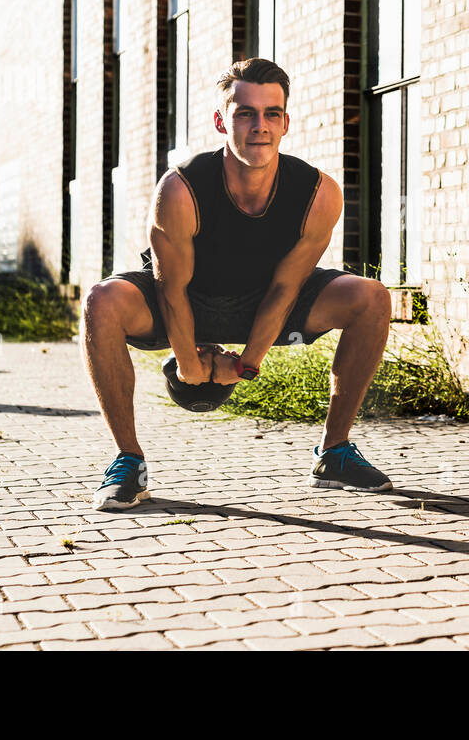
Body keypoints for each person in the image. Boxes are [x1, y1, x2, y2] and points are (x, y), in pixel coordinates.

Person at [80, 58, 394, 510]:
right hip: (184, 300)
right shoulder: (181, 189)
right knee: (101, 301)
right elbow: (171, 289)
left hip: (265, 302)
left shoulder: (318, 193)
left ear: (286, 122)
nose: (258, 126)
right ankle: (128, 461)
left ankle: (334, 453)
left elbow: (285, 289)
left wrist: (247, 364)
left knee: (371, 297)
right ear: (220, 121)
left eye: (271, 114)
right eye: (244, 113)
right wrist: (188, 363)